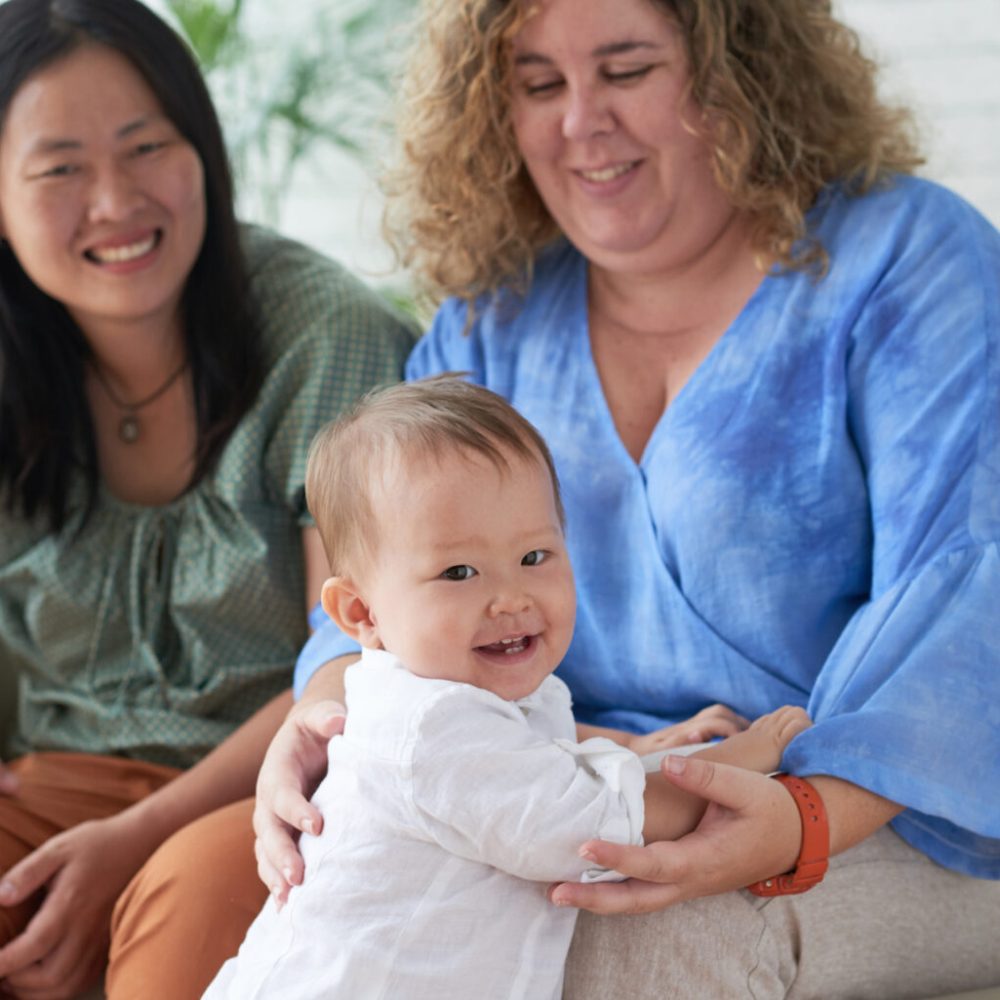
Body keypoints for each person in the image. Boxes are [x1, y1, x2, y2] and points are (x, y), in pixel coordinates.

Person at [252, 0, 1000, 997]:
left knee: (623, 937)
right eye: (539, 84)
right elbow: (372, 610)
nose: (580, 123)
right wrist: (318, 717)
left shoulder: (907, 257)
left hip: (905, 813)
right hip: (573, 786)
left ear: (740, 70)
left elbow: (967, 595)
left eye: (628, 69)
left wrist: (799, 814)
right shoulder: (492, 322)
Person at [0, 0, 414, 996]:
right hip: (58, 782)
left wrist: (129, 839)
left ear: (204, 150)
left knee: (186, 922)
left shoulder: (327, 338)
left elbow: (363, 659)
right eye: (59, 168)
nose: (113, 200)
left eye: (147, 147)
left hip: (283, 789)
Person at [204, 376, 810, 1000]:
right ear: (362, 613)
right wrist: (748, 754)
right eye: (458, 572)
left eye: (535, 557)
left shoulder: (462, 695)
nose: (511, 597)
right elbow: (602, 825)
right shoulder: (429, 726)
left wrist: (642, 745)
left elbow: (541, 763)